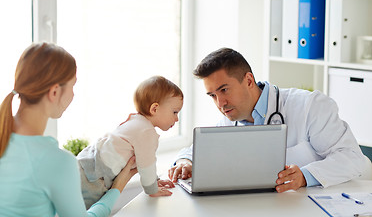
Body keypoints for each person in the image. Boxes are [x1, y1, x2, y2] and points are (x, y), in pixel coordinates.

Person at [168, 47, 372, 193]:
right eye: (212, 95)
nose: (220, 103)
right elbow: (200, 148)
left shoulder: (309, 105)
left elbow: (352, 159)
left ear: (248, 80)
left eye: (224, 90)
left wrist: (304, 176)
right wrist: (186, 161)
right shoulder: (231, 118)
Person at [0, 42, 137, 217]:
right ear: (55, 92)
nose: (73, 94)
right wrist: (118, 187)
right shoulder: (57, 161)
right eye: (73, 86)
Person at [77, 75, 183, 208]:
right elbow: (146, 164)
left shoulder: (135, 121)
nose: (177, 119)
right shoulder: (146, 132)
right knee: (88, 210)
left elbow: (144, 161)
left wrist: (155, 181)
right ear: (154, 109)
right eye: (175, 112)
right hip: (94, 177)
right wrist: (152, 189)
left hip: (86, 163)